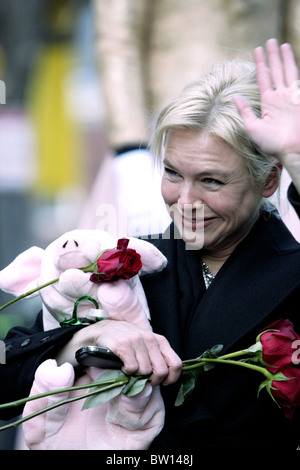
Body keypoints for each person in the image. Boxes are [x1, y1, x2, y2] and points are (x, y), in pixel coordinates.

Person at [0, 39, 300, 452]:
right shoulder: (124, 263)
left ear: (269, 180)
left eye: (212, 180)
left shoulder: (294, 273)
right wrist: (84, 343)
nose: (186, 201)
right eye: (174, 173)